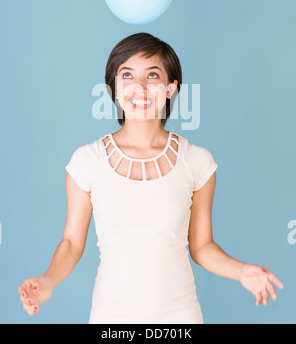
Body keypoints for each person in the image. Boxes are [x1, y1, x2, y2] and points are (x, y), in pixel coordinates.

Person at [18, 33, 284, 323]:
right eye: (127, 75)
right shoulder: (87, 161)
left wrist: (241, 271)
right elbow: (71, 242)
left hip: (180, 317)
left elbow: (202, 246)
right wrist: (48, 281)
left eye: (152, 75)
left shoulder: (197, 162)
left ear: (171, 89)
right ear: (115, 88)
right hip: (111, 317)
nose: (139, 87)